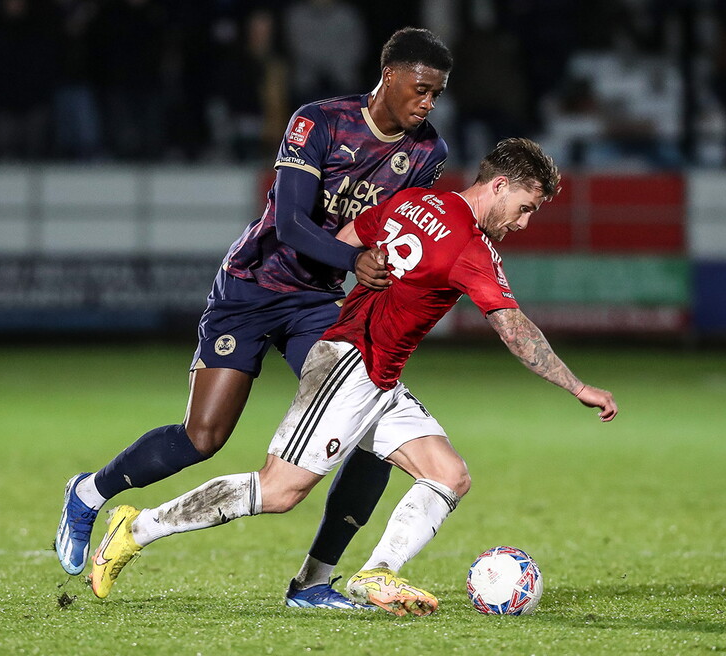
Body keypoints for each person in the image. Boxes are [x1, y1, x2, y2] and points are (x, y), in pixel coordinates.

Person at [85, 138, 619, 616]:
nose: (523, 224)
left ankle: (372, 573)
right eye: (525, 208)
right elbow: (513, 327)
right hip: (349, 365)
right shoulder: (471, 249)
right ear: (498, 186)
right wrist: (577, 386)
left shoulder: (412, 202)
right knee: (278, 492)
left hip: (378, 376)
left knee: (449, 474)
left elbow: (346, 241)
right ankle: (135, 529)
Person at [56, 27, 454, 610]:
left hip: (318, 304)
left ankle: (315, 582)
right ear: (389, 75)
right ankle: (89, 494)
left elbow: (401, 228)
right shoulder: (318, 122)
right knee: (203, 436)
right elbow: (291, 222)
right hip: (250, 287)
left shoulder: (428, 153)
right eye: (421, 89)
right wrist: (354, 259)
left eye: (436, 94)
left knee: (371, 429)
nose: (427, 104)